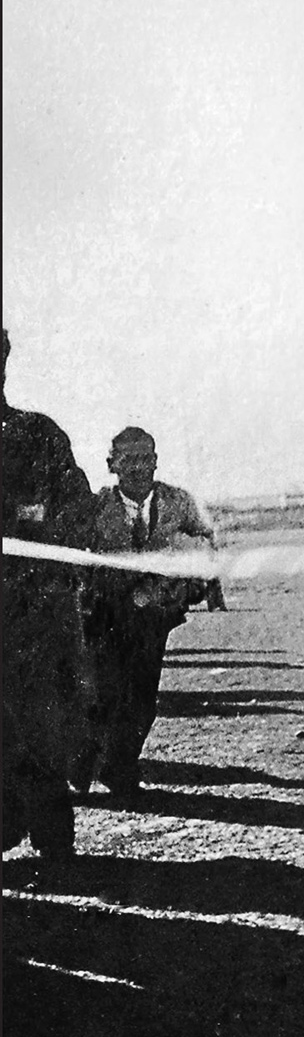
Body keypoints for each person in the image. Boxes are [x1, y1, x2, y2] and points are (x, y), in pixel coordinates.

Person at [80, 427, 217, 797]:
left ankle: (120, 769)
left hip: (154, 616)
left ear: (156, 461)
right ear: (112, 464)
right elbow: (77, 558)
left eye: (146, 458)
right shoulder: (94, 508)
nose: (139, 468)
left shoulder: (179, 502)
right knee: (102, 693)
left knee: (141, 697)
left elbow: (205, 541)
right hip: (105, 617)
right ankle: (86, 765)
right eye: (129, 459)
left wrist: (188, 578)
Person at [1, 328, 96, 858]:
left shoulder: (37, 436)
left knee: (39, 729)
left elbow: (78, 511)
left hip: (32, 621)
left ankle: (53, 839)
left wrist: (38, 527)